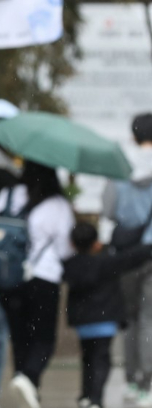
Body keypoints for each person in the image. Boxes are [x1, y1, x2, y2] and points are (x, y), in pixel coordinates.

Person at [0, 161, 75, 408]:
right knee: (44, 338)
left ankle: (25, 385)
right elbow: (65, 249)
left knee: (20, 336)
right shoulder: (57, 205)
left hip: (10, 276)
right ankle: (29, 378)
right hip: (44, 278)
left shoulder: (7, 194)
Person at [63, 222, 152, 408]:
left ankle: (86, 396)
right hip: (105, 321)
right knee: (101, 360)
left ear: (72, 243)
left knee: (87, 358)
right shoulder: (106, 262)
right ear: (96, 243)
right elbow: (134, 256)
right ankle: (95, 398)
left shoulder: (71, 265)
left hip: (83, 323)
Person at [102, 112, 152, 406]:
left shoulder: (120, 166)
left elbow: (108, 210)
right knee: (149, 319)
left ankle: (132, 381)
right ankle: (148, 383)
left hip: (125, 255)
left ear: (134, 135)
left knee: (130, 318)